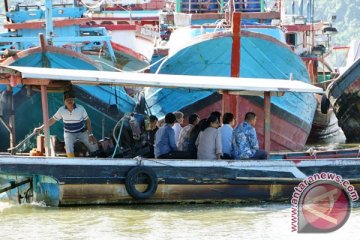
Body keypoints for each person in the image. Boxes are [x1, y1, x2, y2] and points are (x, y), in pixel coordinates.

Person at [33, 91, 98, 157]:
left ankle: (97, 158)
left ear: (74, 100)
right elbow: (52, 120)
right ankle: (71, 161)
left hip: (81, 131)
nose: (70, 101)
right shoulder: (61, 110)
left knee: (93, 144)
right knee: (68, 148)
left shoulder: (81, 108)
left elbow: (88, 120)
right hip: (69, 133)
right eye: (67, 100)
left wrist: (90, 134)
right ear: (64, 102)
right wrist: (40, 128)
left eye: (71, 99)